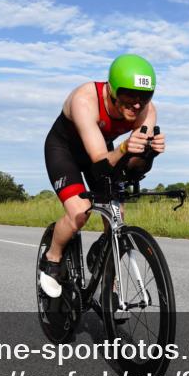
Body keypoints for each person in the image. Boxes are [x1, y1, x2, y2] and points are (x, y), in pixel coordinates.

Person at [40, 54, 165, 297]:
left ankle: (105, 260)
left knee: (116, 212)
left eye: (145, 96)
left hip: (104, 152)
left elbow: (133, 166)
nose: (137, 104)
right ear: (111, 89)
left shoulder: (147, 112)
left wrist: (149, 154)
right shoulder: (85, 99)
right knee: (79, 212)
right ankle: (52, 259)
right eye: (129, 94)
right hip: (64, 150)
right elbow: (99, 159)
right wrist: (125, 147)